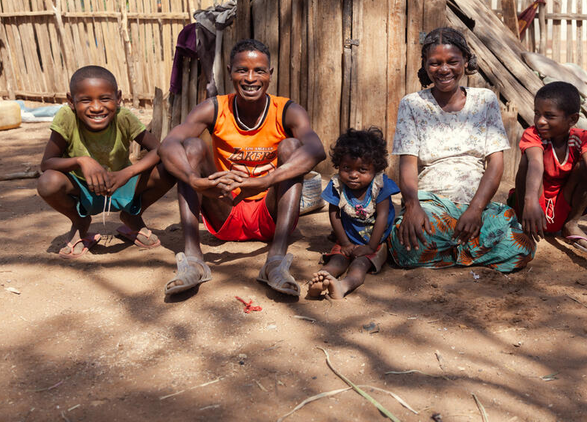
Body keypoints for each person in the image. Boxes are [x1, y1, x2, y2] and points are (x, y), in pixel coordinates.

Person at [159, 39, 326, 297]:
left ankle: (275, 262)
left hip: (269, 215)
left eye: (259, 70)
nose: (250, 78)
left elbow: (316, 150)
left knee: (292, 148)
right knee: (191, 146)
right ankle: (194, 261)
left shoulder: (286, 110)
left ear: (270, 75)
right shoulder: (214, 108)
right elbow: (169, 143)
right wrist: (195, 180)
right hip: (225, 210)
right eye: (242, 70)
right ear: (229, 72)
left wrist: (264, 181)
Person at [388, 27, 535, 271]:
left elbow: (495, 163)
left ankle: (451, 250)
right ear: (425, 66)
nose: (444, 69)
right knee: (406, 246)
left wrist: (476, 209)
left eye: (452, 62)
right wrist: (413, 206)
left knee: (520, 248)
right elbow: (408, 163)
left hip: (477, 204)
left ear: (465, 62)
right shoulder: (412, 104)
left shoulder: (485, 100)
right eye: (435, 63)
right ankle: (468, 248)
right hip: (432, 205)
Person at [37, 66, 174, 258]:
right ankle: (80, 222)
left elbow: (158, 149)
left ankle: (132, 216)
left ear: (118, 98)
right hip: (82, 189)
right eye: (85, 100)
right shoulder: (66, 117)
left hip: (122, 185)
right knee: (47, 182)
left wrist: (127, 173)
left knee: (169, 168)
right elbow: (47, 163)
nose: (96, 107)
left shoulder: (123, 117)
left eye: (104, 98)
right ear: (71, 101)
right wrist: (81, 161)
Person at [510, 81, 587, 252]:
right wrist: (530, 200)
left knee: (585, 166)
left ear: (573, 119)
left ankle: (571, 224)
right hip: (531, 207)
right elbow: (536, 163)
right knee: (526, 160)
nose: (540, 121)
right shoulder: (533, 135)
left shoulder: (583, 138)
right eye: (537, 113)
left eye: (549, 116)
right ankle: (523, 225)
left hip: (562, 208)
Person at [307, 127, 399, 299]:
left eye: (362, 170)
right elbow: (334, 214)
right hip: (348, 240)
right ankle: (322, 277)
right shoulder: (337, 185)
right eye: (346, 167)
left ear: (375, 169)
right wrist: (345, 243)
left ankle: (343, 286)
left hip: (376, 241)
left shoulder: (380, 185)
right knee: (337, 260)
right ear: (338, 165)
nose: (353, 175)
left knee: (360, 264)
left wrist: (370, 247)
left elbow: (382, 216)